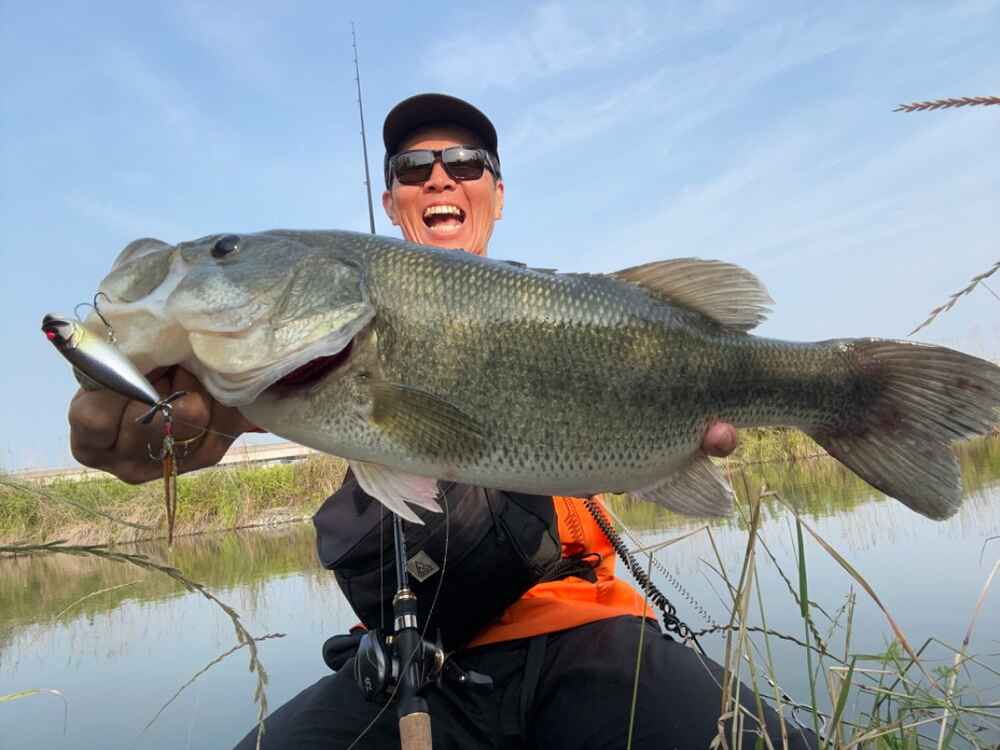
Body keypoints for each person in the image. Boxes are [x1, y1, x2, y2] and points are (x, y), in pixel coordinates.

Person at [67, 93, 814, 749]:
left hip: (584, 632)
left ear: (497, 193)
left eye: (465, 162)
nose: (438, 177)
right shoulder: (288, 370)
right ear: (392, 202)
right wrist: (157, 422)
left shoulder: (571, 313)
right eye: (411, 168)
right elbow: (206, 418)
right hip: (410, 662)